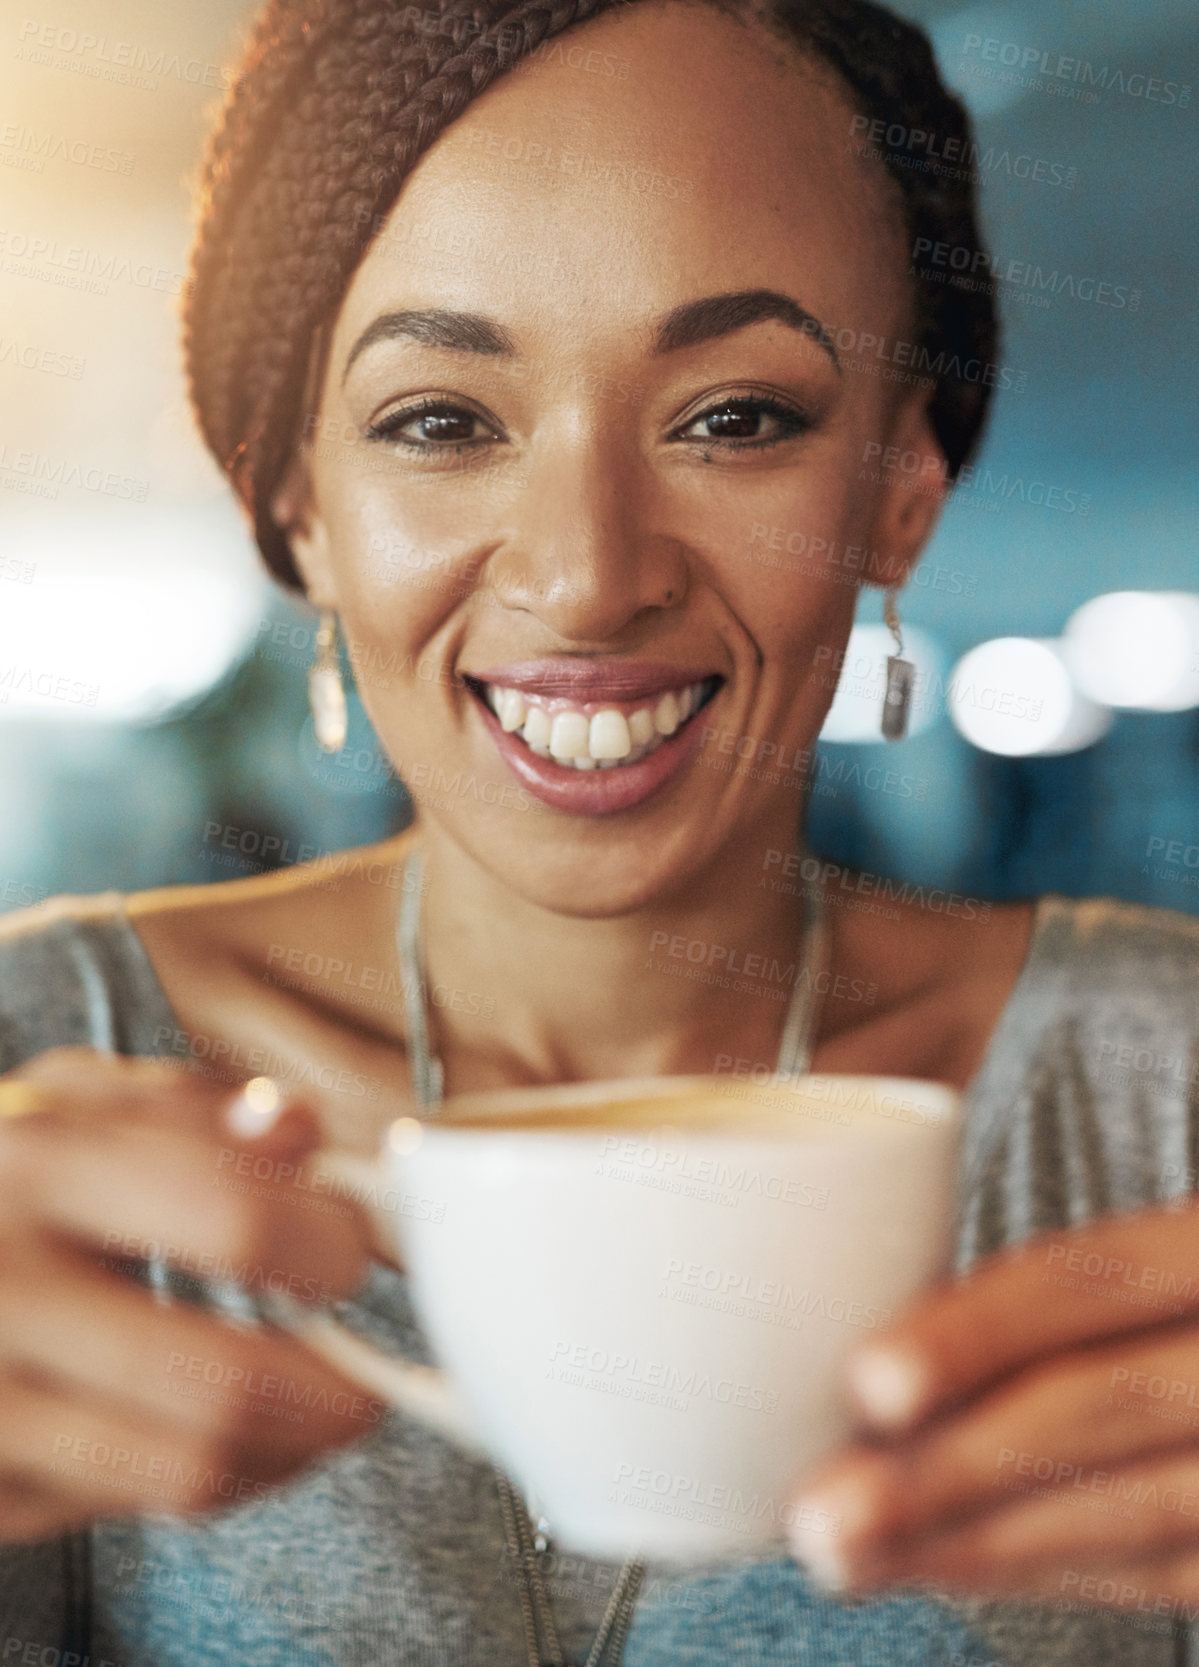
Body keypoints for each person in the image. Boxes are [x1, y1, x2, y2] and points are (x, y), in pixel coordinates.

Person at [0, 0, 1196, 1661]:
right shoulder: (32, 1076)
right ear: (299, 509)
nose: (587, 572)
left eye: (736, 417)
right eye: (440, 420)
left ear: (898, 499)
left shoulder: (1168, 1090)